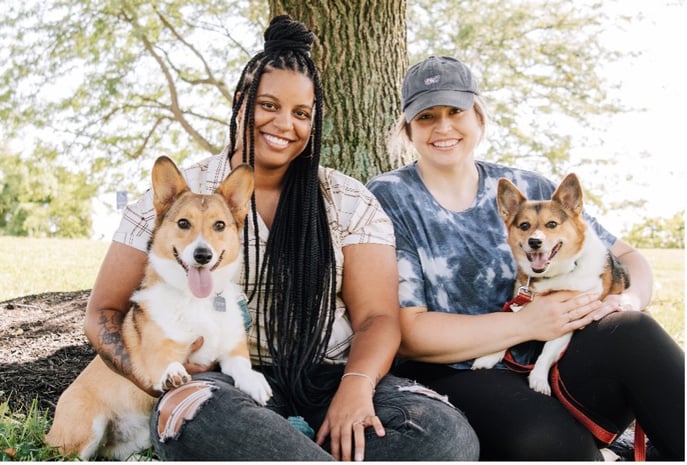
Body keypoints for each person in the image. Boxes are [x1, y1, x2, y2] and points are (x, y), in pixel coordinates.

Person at [83, 20, 479, 461]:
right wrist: (156, 377)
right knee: (192, 416)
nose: (284, 124)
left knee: (445, 435)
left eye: (301, 113)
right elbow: (103, 313)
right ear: (240, 101)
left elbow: (377, 318)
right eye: (268, 105)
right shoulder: (177, 200)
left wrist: (356, 388)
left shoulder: (348, 201)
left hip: (332, 375)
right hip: (227, 379)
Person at [367, 55, 685, 461]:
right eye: (427, 116)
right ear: (408, 127)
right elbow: (411, 334)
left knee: (633, 330)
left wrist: (628, 299)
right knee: (554, 444)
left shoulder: (531, 187)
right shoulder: (390, 197)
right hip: (455, 370)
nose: (443, 127)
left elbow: (627, 256)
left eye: (455, 111)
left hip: (550, 355)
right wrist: (525, 323)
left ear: (478, 116)